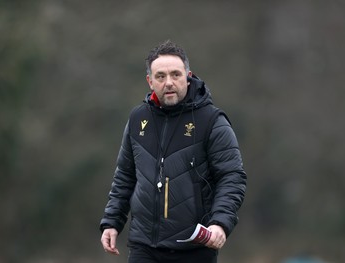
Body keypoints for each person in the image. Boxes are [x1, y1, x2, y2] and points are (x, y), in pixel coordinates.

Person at [100, 40, 247, 263]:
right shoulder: (137, 118)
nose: (169, 82)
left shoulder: (212, 121)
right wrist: (112, 221)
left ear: (188, 75)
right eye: (160, 76)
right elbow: (125, 176)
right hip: (144, 247)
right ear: (150, 81)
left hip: (194, 248)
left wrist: (220, 223)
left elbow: (232, 177)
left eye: (175, 74)